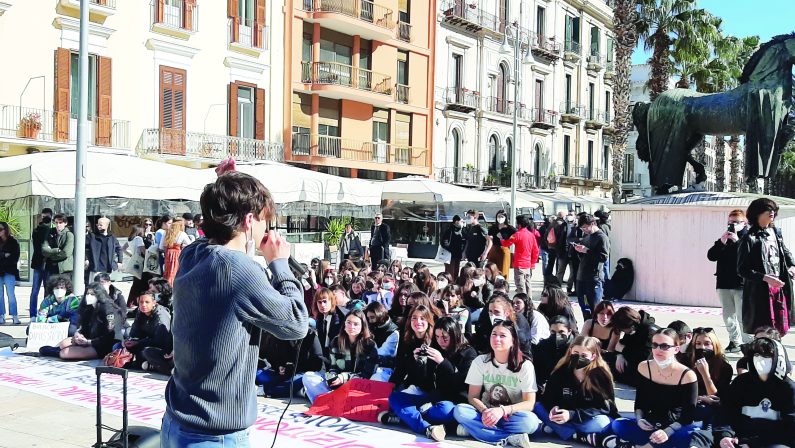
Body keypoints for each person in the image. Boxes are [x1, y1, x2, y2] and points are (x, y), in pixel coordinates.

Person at [162, 170, 308, 447]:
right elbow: (297, 324)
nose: (268, 229)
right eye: (265, 221)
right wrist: (279, 264)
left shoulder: (194, 254)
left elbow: (219, 238)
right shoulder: (240, 270)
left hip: (178, 421)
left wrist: (226, 186)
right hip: (214, 434)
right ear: (249, 221)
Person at [381, 316, 478, 442]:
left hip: (453, 402)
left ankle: (405, 417)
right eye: (437, 337)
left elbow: (462, 385)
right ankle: (426, 428)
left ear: (455, 335)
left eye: (445, 337)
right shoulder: (436, 349)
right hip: (432, 400)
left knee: (445, 410)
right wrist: (418, 363)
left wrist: (443, 362)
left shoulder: (469, 353)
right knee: (395, 397)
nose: (441, 341)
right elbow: (424, 383)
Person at [453, 320, 541, 448]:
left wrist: (502, 411)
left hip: (511, 416)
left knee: (530, 422)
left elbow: (529, 403)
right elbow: (472, 397)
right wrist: (485, 412)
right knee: (460, 410)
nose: (496, 338)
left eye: (502, 335)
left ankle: (474, 430)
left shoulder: (525, 366)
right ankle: (509, 437)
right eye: (493, 334)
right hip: (485, 412)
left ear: (513, 341)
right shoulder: (480, 361)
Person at [610, 328, 698, 448]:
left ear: (676, 349)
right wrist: (640, 419)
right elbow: (640, 402)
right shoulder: (644, 367)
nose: (658, 350)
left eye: (664, 346)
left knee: (692, 435)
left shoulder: (687, 375)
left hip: (675, 426)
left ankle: (646, 445)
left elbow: (688, 416)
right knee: (618, 425)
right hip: (651, 423)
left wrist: (666, 432)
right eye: (655, 345)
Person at [534, 336, 618, 446]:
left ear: (593, 356)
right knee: (538, 407)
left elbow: (603, 407)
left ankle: (561, 431)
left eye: (584, 355)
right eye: (576, 353)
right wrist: (553, 408)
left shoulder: (600, 375)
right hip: (563, 417)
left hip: (586, 418)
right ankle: (581, 436)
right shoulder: (561, 371)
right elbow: (548, 397)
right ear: (570, 351)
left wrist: (572, 415)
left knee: (602, 423)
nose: (579, 357)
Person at [713, 337, 795, 448]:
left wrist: (753, 443)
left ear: (778, 359)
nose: (760, 360)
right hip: (737, 439)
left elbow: (790, 430)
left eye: (766, 357)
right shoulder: (741, 383)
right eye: (756, 356)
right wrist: (725, 436)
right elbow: (726, 413)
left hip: (772, 442)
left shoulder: (789, 389)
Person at [738, 197, 795, 336]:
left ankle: (777, 355)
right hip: (761, 292)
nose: (772, 212)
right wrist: (765, 278)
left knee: (779, 330)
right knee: (763, 330)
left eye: (773, 209)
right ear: (757, 213)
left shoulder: (776, 233)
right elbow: (742, 269)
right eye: (767, 209)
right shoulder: (749, 238)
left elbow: (785, 254)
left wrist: (792, 266)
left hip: (779, 288)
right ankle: (760, 354)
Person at [302, 310, 379, 403]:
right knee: (308, 376)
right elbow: (332, 367)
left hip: (358, 387)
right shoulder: (336, 341)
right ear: (344, 324)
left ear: (362, 326)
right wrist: (332, 377)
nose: (351, 327)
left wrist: (344, 377)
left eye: (356, 324)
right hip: (338, 386)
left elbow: (367, 375)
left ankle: (336, 401)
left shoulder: (370, 345)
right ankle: (328, 402)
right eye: (349, 323)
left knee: (377, 378)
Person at [39, 282, 125, 360]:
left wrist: (89, 342)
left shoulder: (109, 310)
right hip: (89, 338)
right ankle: (59, 350)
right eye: (87, 293)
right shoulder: (87, 308)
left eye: (92, 294)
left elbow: (110, 336)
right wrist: (78, 334)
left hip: (105, 345)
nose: (89, 296)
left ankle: (59, 352)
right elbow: (82, 326)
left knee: (64, 353)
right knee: (63, 344)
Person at [707, 209, 752, 352]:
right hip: (723, 283)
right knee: (728, 316)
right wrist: (721, 242)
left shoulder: (748, 238)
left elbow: (749, 258)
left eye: (736, 222)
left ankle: (748, 343)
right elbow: (711, 256)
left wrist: (738, 241)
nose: (733, 225)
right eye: (730, 222)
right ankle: (735, 342)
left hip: (741, 284)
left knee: (742, 316)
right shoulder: (724, 239)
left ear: (744, 223)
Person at [255, 328, 324, 398]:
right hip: (281, 375)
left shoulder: (310, 335)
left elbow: (317, 364)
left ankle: (267, 390)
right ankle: (279, 388)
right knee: (258, 374)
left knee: (304, 380)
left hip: (299, 375)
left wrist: (293, 368)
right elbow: (271, 357)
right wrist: (279, 366)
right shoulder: (280, 333)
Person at [684, 327, 732, 426]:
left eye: (707, 344)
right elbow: (681, 392)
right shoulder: (687, 362)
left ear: (714, 346)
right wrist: (699, 398)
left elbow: (716, 397)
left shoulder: (724, 367)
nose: (703, 347)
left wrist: (705, 374)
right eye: (698, 344)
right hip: (691, 404)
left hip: (713, 408)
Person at [573, 214, 609, 320]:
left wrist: (586, 250)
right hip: (582, 277)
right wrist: (579, 250)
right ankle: (587, 328)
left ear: (592, 224)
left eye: (585, 227)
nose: (584, 230)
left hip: (593, 278)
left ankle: (596, 331)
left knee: (595, 308)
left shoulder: (601, 237)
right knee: (585, 307)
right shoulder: (587, 237)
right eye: (582, 228)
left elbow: (603, 257)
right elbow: (584, 256)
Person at [612, 306, 659, 386]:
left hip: (651, 368)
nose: (623, 332)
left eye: (623, 330)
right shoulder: (634, 328)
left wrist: (624, 351)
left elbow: (645, 358)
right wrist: (620, 355)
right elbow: (621, 345)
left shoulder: (649, 332)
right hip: (633, 360)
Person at [125, 292, 172, 370]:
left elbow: (160, 341)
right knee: (120, 346)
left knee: (146, 352)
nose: (143, 305)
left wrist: (138, 342)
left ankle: (164, 367)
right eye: (141, 302)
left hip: (163, 349)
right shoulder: (140, 313)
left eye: (147, 302)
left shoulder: (161, 315)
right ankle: (147, 364)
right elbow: (134, 332)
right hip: (146, 343)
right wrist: (130, 340)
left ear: (154, 303)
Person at [532, 315, 576, 387]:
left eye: (561, 332)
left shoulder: (575, 348)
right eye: (553, 332)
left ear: (569, 331)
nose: (557, 335)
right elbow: (538, 370)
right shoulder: (542, 346)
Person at [500, 215, 539, 296]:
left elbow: (507, 243)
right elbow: (535, 250)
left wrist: (501, 238)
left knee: (520, 286)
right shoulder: (531, 235)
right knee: (528, 285)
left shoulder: (517, 234)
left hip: (519, 264)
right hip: (528, 264)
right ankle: (529, 302)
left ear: (519, 224)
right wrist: (533, 263)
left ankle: (523, 303)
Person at [29, 208, 53, 317]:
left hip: (48, 264)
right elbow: (40, 244)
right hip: (38, 263)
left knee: (47, 290)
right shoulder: (37, 229)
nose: (45, 219)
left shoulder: (52, 229)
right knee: (35, 290)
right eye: (44, 217)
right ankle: (33, 314)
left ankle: (43, 312)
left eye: (47, 217)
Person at [84, 217, 123, 286]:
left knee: (105, 288)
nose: (99, 226)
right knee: (94, 287)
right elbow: (83, 248)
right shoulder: (92, 236)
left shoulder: (112, 237)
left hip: (108, 268)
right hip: (96, 267)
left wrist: (120, 261)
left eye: (101, 225)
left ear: (107, 225)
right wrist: (86, 259)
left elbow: (119, 249)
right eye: (98, 225)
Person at [313, 287, 346, 358]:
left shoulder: (339, 318)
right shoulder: (320, 318)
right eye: (319, 302)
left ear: (331, 301)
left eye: (325, 301)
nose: (322, 305)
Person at [123, 225, 149, 307]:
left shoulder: (130, 239)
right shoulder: (139, 239)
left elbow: (123, 249)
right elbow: (142, 250)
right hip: (140, 261)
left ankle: (132, 302)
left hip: (135, 260)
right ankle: (136, 302)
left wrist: (131, 255)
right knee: (141, 282)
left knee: (136, 282)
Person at [41, 213, 74, 278]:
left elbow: (66, 253)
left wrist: (50, 254)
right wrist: (56, 250)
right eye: (56, 222)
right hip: (50, 268)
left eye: (60, 222)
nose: (58, 225)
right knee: (50, 287)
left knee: (64, 287)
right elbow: (44, 250)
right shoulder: (50, 232)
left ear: (65, 223)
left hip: (64, 270)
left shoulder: (69, 235)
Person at [161, 217, 191, 286]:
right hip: (177, 254)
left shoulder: (166, 232)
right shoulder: (182, 234)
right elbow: (189, 245)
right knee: (175, 271)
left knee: (167, 271)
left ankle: (166, 286)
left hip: (168, 254)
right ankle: (172, 286)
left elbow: (161, 246)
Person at [0, 222, 21, 324]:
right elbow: (7, 256)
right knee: (0, 295)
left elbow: (15, 257)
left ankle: (14, 315)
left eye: (1, 229)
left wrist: (4, 257)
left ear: (6, 230)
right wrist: (4, 255)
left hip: (9, 271)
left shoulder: (13, 242)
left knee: (11, 294)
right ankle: (1, 315)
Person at [487, 210, 516, 278]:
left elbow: (517, 236)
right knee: (491, 268)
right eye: (498, 216)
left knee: (503, 270)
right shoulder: (493, 227)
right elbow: (489, 239)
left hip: (504, 250)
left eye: (502, 216)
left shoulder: (509, 228)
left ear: (505, 217)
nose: (500, 218)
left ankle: (503, 285)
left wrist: (507, 240)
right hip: (494, 249)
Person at [441, 215, 466, 282]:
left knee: (455, 273)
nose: (462, 223)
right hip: (450, 256)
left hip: (458, 256)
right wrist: (451, 250)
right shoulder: (449, 231)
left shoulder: (462, 231)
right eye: (461, 221)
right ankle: (448, 288)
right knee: (450, 274)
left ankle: (454, 287)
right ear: (457, 222)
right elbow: (444, 243)